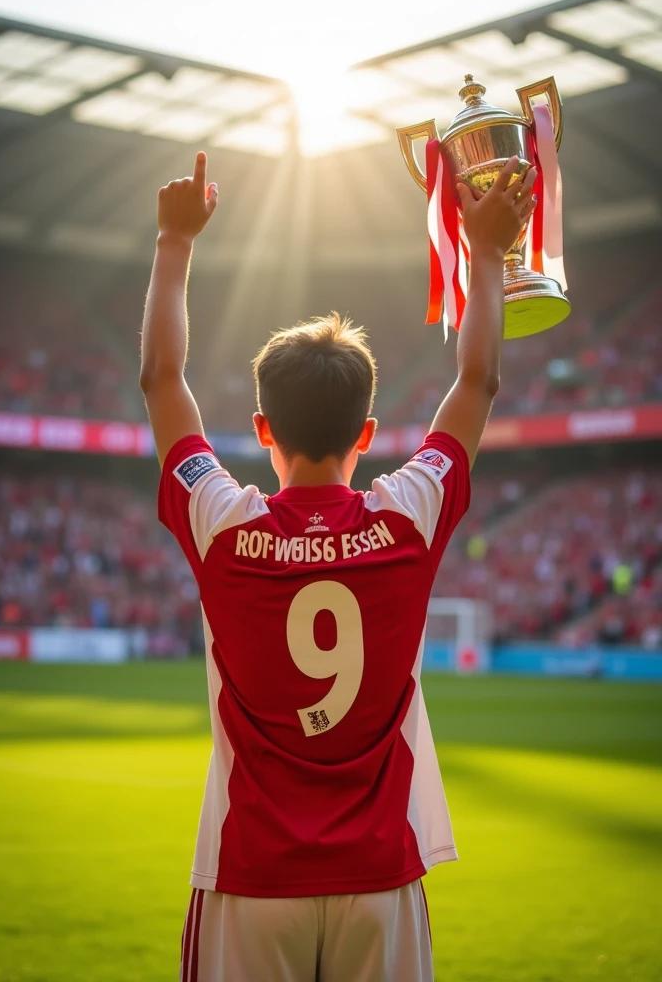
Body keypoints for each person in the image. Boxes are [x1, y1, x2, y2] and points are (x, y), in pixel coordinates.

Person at [140, 151, 536, 982]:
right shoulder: (407, 516)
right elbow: (479, 378)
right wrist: (490, 254)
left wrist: (175, 242)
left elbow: (160, 378)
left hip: (251, 876)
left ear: (260, 427)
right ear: (366, 432)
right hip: (380, 877)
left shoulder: (223, 523)